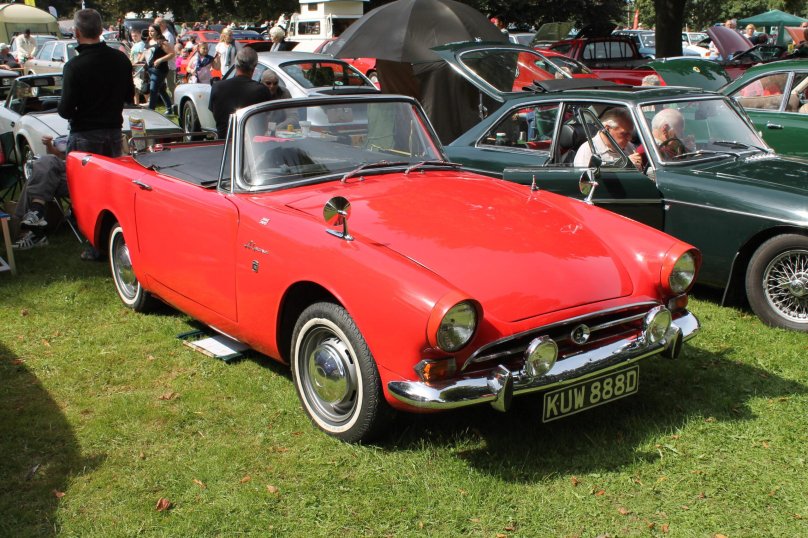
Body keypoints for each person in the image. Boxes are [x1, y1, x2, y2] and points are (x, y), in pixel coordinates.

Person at [12, 136, 67, 250]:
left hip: (81, 179)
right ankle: (34, 218)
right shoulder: (74, 133)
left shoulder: (95, 133)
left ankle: (29, 224)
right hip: (63, 174)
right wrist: (49, 145)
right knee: (40, 175)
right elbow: (60, 156)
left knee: (42, 171)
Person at [209, 47, 273, 139]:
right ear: (254, 66)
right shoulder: (262, 90)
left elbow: (214, 112)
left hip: (224, 142)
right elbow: (268, 118)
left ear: (235, 65)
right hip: (251, 142)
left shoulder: (217, 87)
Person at [573, 108, 642, 171]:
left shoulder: (629, 146)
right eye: (624, 134)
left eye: (630, 134)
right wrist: (623, 166)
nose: (629, 138)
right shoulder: (588, 150)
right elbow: (585, 179)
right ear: (607, 129)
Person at [144, 24, 174, 110]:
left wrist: (160, 60)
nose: (150, 33)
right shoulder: (148, 42)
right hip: (150, 69)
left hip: (160, 70)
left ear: (157, 32)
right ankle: (169, 108)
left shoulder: (162, 42)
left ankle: (151, 109)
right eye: (149, 31)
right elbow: (145, 54)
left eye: (152, 31)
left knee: (153, 89)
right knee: (161, 89)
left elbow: (172, 54)